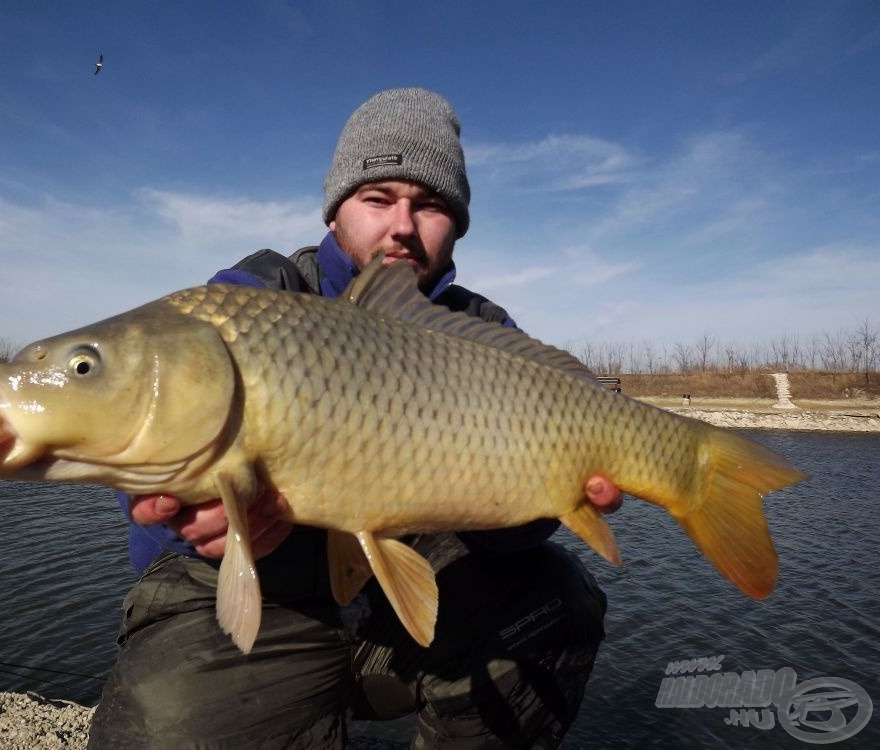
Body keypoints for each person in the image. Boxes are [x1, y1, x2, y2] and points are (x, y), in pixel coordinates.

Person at [88, 88, 623, 749]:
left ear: (456, 225)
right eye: (378, 199)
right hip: (256, 618)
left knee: (555, 596)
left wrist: (547, 497)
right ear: (336, 211)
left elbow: (513, 540)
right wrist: (189, 515)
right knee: (169, 723)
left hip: (407, 619)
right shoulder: (253, 299)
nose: (401, 225)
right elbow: (140, 438)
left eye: (428, 206)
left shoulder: (483, 333)